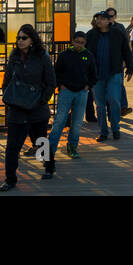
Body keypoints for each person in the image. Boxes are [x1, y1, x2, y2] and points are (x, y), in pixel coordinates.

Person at [0, 24, 56, 191]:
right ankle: (10, 179)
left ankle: (49, 166)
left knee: (39, 141)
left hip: (36, 108)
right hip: (17, 108)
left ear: (32, 40)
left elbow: (51, 82)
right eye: (18, 38)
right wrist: (8, 98)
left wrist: (42, 100)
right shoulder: (14, 56)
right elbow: (7, 78)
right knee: (12, 146)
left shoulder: (42, 56)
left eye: (24, 38)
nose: (20, 41)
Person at [44, 30, 97, 175]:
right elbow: (56, 72)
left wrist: (88, 86)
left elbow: (94, 74)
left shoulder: (89, 56)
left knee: (77, 122)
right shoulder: (64, 55)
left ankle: (72, 147)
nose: (79, 45)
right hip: (66, 91)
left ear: (85, 43)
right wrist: (61, 85)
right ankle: (51, 150)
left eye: (82, 43)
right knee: (59, 121)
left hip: (82, 92)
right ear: (72, 41)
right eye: (77, 42)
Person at [85, 11, 133, 141]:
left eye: (102, 18)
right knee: (100, 104)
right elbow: (85, 54)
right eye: (97, 19)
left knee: (114, 101)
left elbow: (126, 51)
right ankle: (103, 132)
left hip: (114, 73)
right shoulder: (91, 35)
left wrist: (130, 68)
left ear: (108, 21)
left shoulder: (117, 34)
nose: (99, 21)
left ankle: (115, 128)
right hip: (97, 75)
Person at [105, 7, 132, 114]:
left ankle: (123, 107)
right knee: (106, 86)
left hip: (118, 62)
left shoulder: (120, 27)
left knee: (119, 84)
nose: (110, 18)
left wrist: (127, 61)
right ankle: (111, 109)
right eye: (108, 16)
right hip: (105, 63)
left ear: (115, 17)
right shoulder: (102, 28)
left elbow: (126, 45)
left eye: (112, 16)